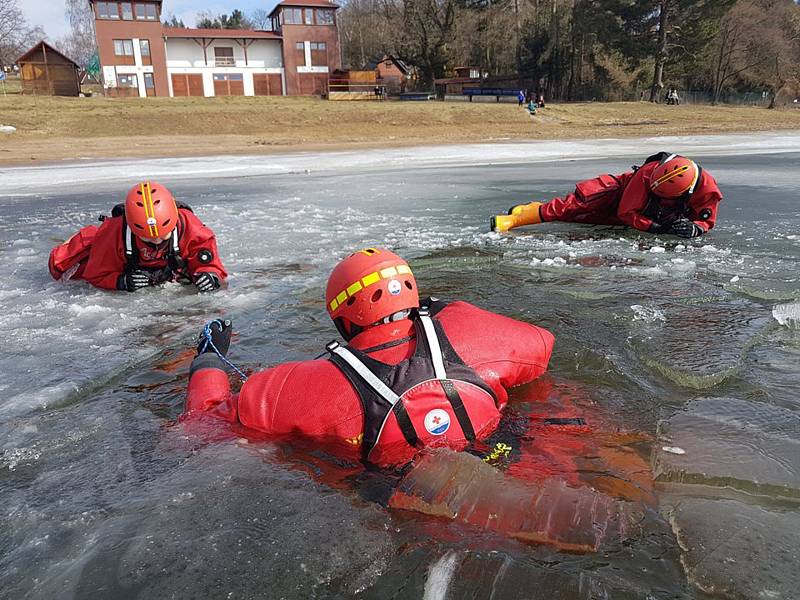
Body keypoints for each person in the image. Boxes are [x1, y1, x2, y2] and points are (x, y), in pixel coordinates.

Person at [184, 248, 554, 467]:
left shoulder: (291, 386)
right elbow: (543, 342)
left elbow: (204, 422)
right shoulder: (469, 328)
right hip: (507, 453)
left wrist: (209, 361)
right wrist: (453, 311)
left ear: (343, 322)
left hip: (396, 495)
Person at [49, 181, 227, 292]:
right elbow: (96, 275)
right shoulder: (113, 233)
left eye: (162, 237)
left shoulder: (189, 226)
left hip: (170, 268)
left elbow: (212, 264)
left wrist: (209, 276)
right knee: (59, 263)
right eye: (148, 239)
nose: (157, 241)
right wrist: (121, 281)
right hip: (113, 252)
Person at [490, 152, 722, 238]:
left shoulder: (706, 189)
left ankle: (532, 208)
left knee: (579, 220)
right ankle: (517, 218)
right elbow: (626, 211)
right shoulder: (647, 174)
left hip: (643, 216)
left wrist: (695, 228)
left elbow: (706, 220)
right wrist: (655, 228)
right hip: (619, 196)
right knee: (576, 206)